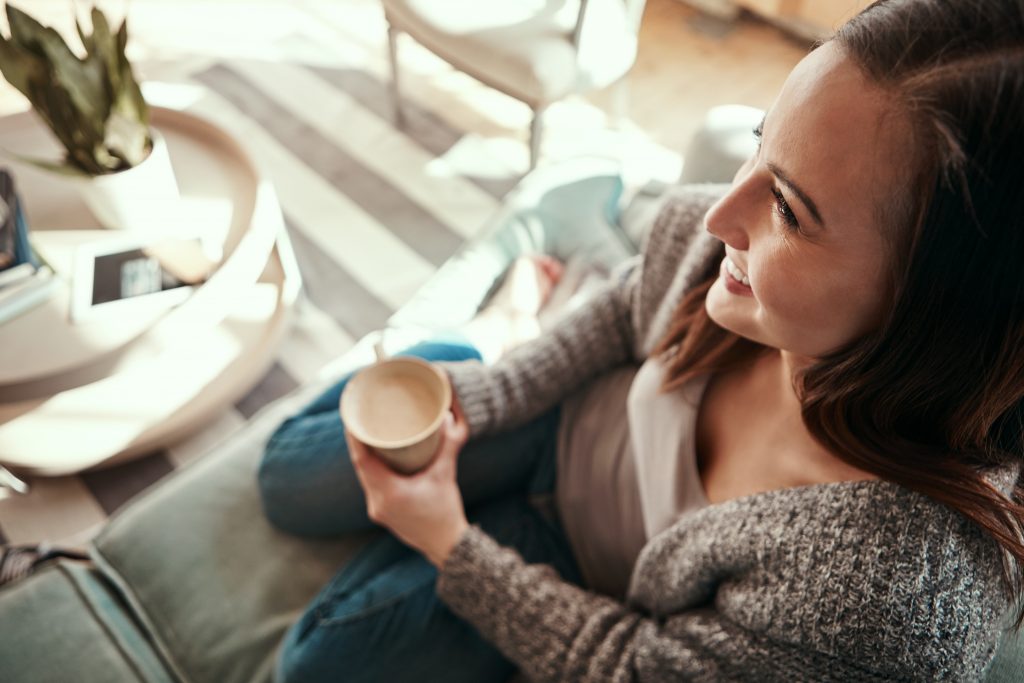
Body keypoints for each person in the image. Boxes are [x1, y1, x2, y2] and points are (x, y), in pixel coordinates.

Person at [258, 0, 1024, 679]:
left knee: (316, 663)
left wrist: (450, 543)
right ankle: (503, 323)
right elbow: (631, 303)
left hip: (590, 565)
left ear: (939, 306)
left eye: (788, 210)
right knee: (291, 476)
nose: (718, 213)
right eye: (763, 141)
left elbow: (633, 664)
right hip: (562, 425)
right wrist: (495, 391)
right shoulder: (725, 264)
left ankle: (524, 285)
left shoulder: (885, 604)